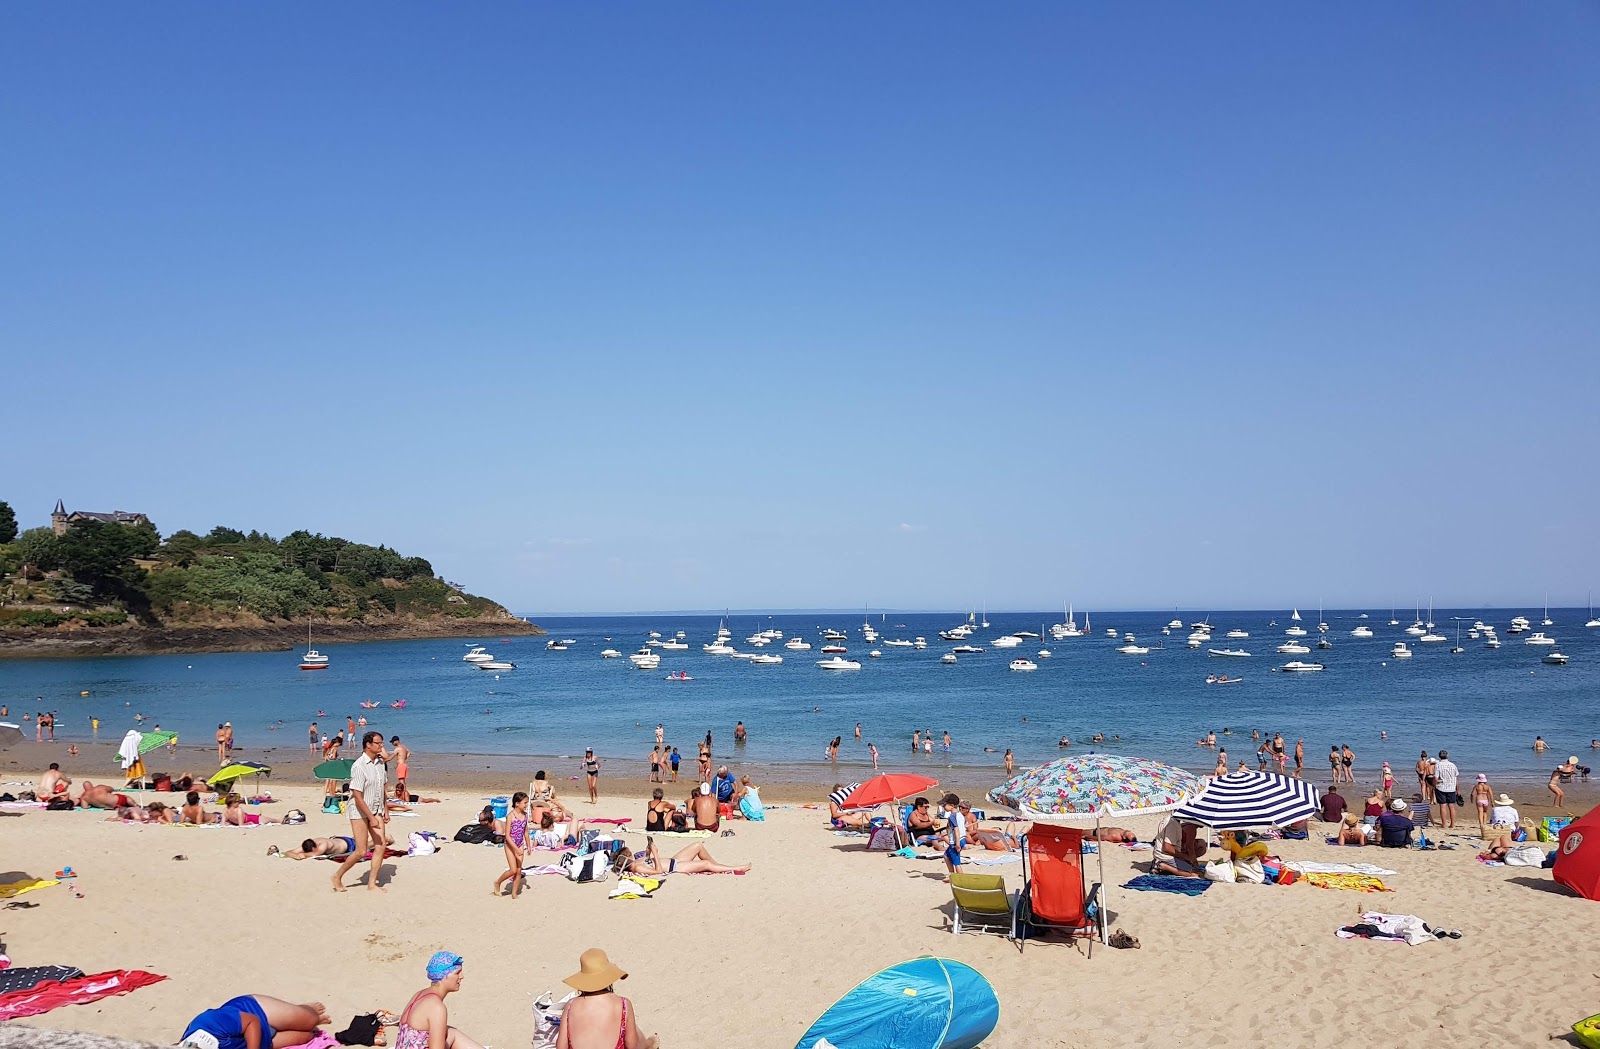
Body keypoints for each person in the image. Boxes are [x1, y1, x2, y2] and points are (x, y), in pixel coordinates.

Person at [554, 948, 658, 1049]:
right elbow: (632, 1046)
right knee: (632, 1028)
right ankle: (648, 1044)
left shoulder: (571, 1005)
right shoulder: (623, 1004)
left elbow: (561, 1047)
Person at [394, 951, 486, 1049]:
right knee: (451, 1034)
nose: (462, 976)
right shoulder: (436, 1007)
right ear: (443, 976)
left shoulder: (419, 995)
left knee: (450, 1032)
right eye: (457, 973)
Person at [333, 731, 388, 893]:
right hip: (359, 810)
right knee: (361, 851)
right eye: (378, 743)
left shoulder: (380, 764)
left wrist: (386, 810)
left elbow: (382, 789)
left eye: (382, 743)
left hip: (376, 808)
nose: (381, 746)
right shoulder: (359, 766)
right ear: (368, 745)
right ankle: (337, 876)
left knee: (381, 845)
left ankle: (372, 884)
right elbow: (357, 795)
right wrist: (371, 818)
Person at [179, 995, 329, 1049]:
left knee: (310, 1020)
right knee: (309, 1036)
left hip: (256, 1011)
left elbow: (252, 1021)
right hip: (260, 1041)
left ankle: (304, 1008)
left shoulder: (208, 1023)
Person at [622, 838, 750, 877]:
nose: (632, 852)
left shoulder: (637, 861)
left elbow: (649, 861)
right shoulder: (637, 867)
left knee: (698, 845)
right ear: (627, 856)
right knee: (705, 864)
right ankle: (737, 867)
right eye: (630, 852)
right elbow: (658, 871)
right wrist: (655, 853)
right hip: (676, 866)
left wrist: (649, 851)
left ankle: (718, 866)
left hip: (674, 860)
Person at [493, 792, 530, 899]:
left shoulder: (525, 816)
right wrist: (515, 848)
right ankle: (498, 882)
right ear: (517, 803)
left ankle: (514, 893)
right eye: (525, 803)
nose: (526, 805)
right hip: (510, 845)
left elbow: (526, 832)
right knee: (513, 870)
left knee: (519, 870)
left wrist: (529, 846)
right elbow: (507, 836)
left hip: (520, 844)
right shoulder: (510, 816)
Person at [940, 794, 966, 875]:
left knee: (956, 862)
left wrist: (957, 843)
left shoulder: (952, 816)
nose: (943, 806)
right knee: (946, 856)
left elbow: (956, 830)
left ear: (952, 805)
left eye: (944, 805)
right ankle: (952, 875)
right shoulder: (960, 814)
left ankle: (961, 878)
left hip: (955, 842)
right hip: (962, 839)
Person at [1433, 750, 1460, 829]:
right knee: (1451, 806)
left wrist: (1434, 785)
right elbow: (1456, 778)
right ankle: (1452, 824)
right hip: (1451, 787)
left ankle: (1444, 824)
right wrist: (1458, 789)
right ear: (1447, 756)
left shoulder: (1438, 765)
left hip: (1441, 787)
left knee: (1443, 806)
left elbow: (1435, 778)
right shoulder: (1453, 765)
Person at [283, 836, 355, 860]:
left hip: (348, 845)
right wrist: (294, 855)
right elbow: (288, 852)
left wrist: (303, 855)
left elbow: (315, 854)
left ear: (316, 846)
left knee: (364, 844)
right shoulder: (307, 844)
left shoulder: (323, 844)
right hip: (338, 839)